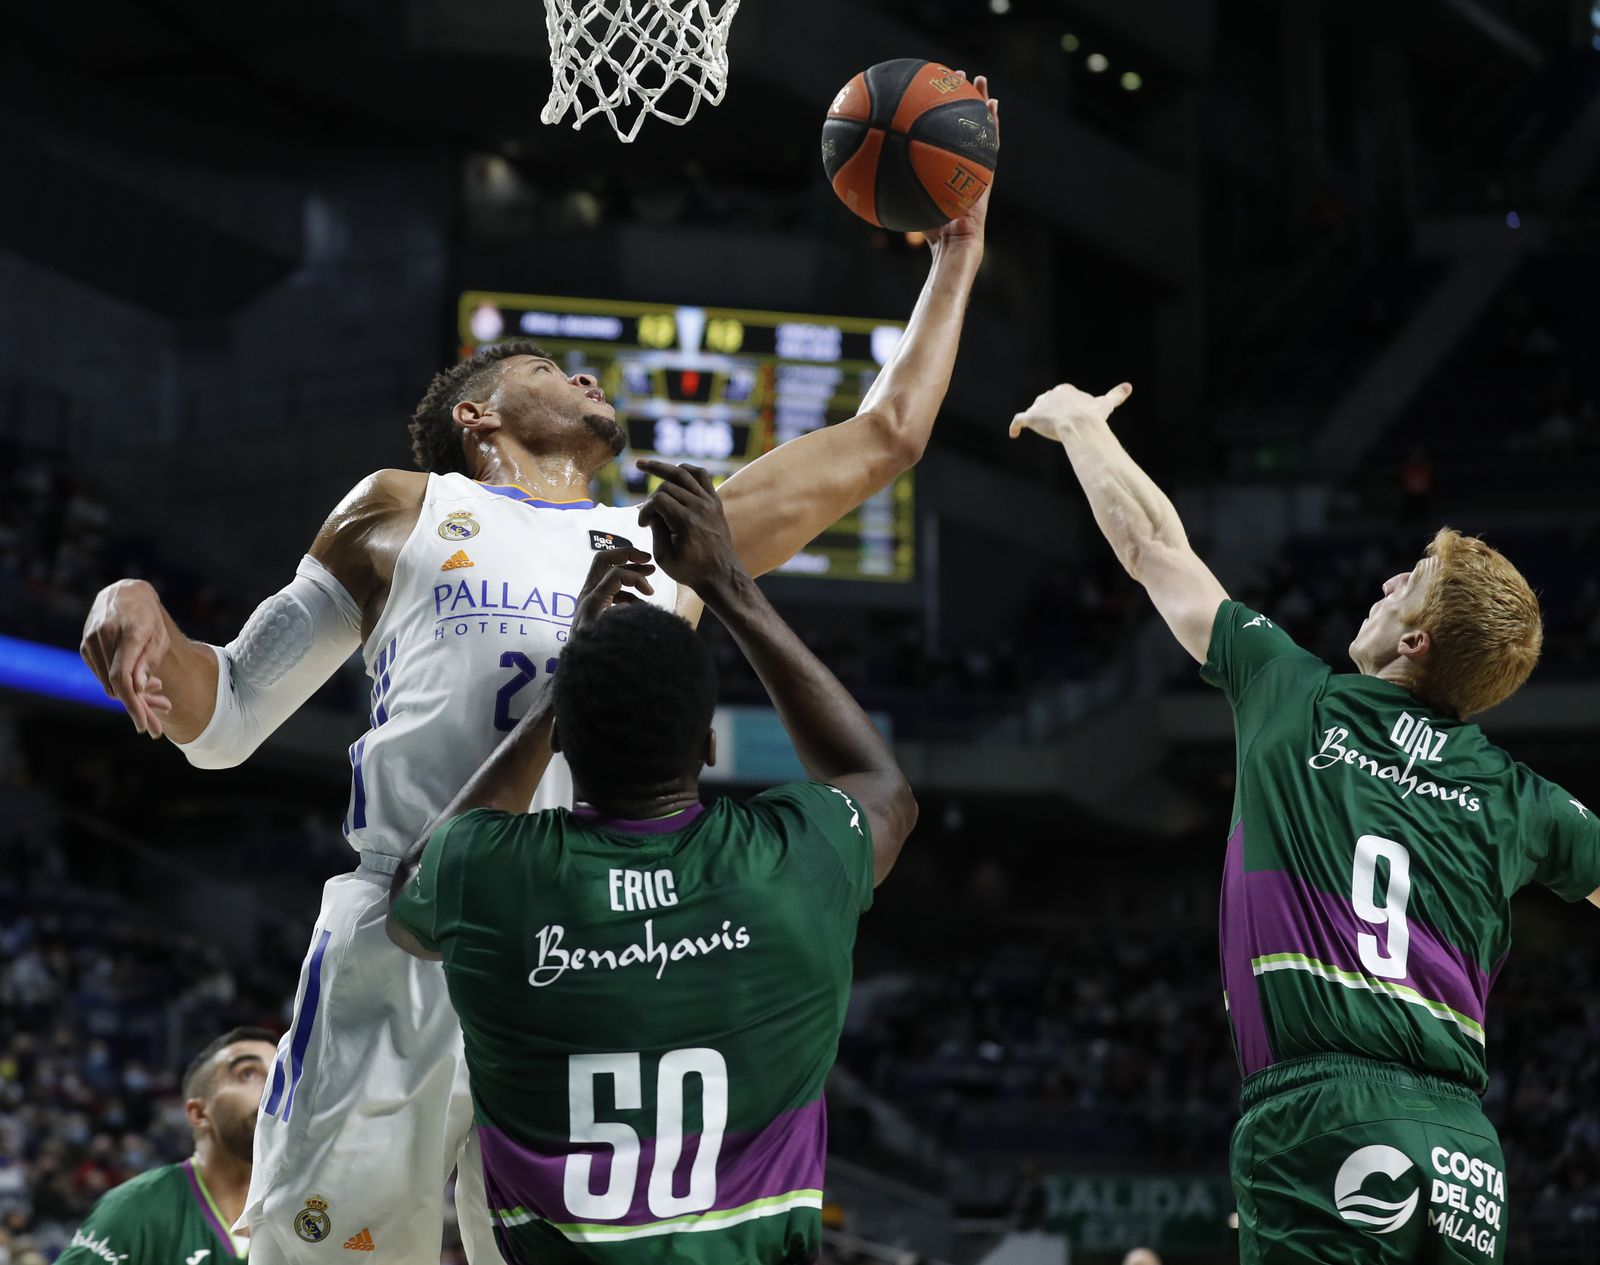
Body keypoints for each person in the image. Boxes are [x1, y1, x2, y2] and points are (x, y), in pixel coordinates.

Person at [75, 75, 995, 1265]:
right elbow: (228, 710)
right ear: (476, 416)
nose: (589, 376)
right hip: (408, 935)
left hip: (580, 942)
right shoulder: (407, 508)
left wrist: (957, 248)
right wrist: (130, 597)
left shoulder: (669, 539)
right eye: (552, 367)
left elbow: (884, 438)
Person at [1009, 381, 1600, 1264]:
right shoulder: (1521, 797)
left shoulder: (1292, 692)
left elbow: (1152, 545)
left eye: (1413, 585)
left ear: (1414, 643)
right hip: (1464, 1148)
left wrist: (1082, 428)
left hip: (1324, 1114)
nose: (1391, 580)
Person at [384, 458, 915, 1263]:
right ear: (707, 744)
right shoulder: (795, 857)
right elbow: (883, 789)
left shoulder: (488, 872)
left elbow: (408, 902)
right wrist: (729, 582)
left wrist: (556, 694)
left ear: (565, 737)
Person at [58, 1028, 278, 1263]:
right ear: (199, 1113)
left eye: (282, 1074)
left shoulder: (310, 1215)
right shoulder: (135, 1209)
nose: (277, 1086)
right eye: (248, 1074)